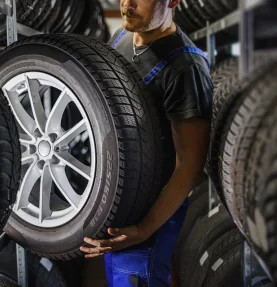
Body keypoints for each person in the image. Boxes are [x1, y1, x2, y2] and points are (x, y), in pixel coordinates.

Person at [79, 1, 213, 286]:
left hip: (147, 219)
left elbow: (190, 164)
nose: (128, 3)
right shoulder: (122, 38)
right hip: (117, 206)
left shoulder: (185, 68)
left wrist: (143, 228)